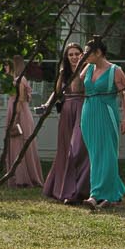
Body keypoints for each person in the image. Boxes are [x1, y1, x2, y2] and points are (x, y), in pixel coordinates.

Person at [79, 38, 125, 206]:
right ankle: (112, 193)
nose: (84, 55)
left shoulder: (115, 70)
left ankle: (95, 195)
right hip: (88, 113)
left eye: (88, 52)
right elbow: (77, 82)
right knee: (95, 155)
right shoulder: (88, 68)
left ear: (98, 53)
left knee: (107, 154)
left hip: (106, 113)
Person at [43, 43, 91, 204]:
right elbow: (58, 92)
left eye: (77, 54)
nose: (74, 57)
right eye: (70, 55)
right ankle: (61, 188)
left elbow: (78, 87)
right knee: (64, 150)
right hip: (66, 111)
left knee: (76, 149)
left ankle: (79, 189)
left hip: (82, 108)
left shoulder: (86, 70)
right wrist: (61, 73)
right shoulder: (64, 72)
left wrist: (79, 68)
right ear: (66, 57)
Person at [2, 59, 46, 190]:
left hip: (19, 114)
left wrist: (15, 119)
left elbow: (20, 100)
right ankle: (17, 175)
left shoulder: (18, 80)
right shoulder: (16, 80)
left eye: (6, 65)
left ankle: (23, 178)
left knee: (19, 143)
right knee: (16, 143)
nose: (4, 67)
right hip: (17, 112)